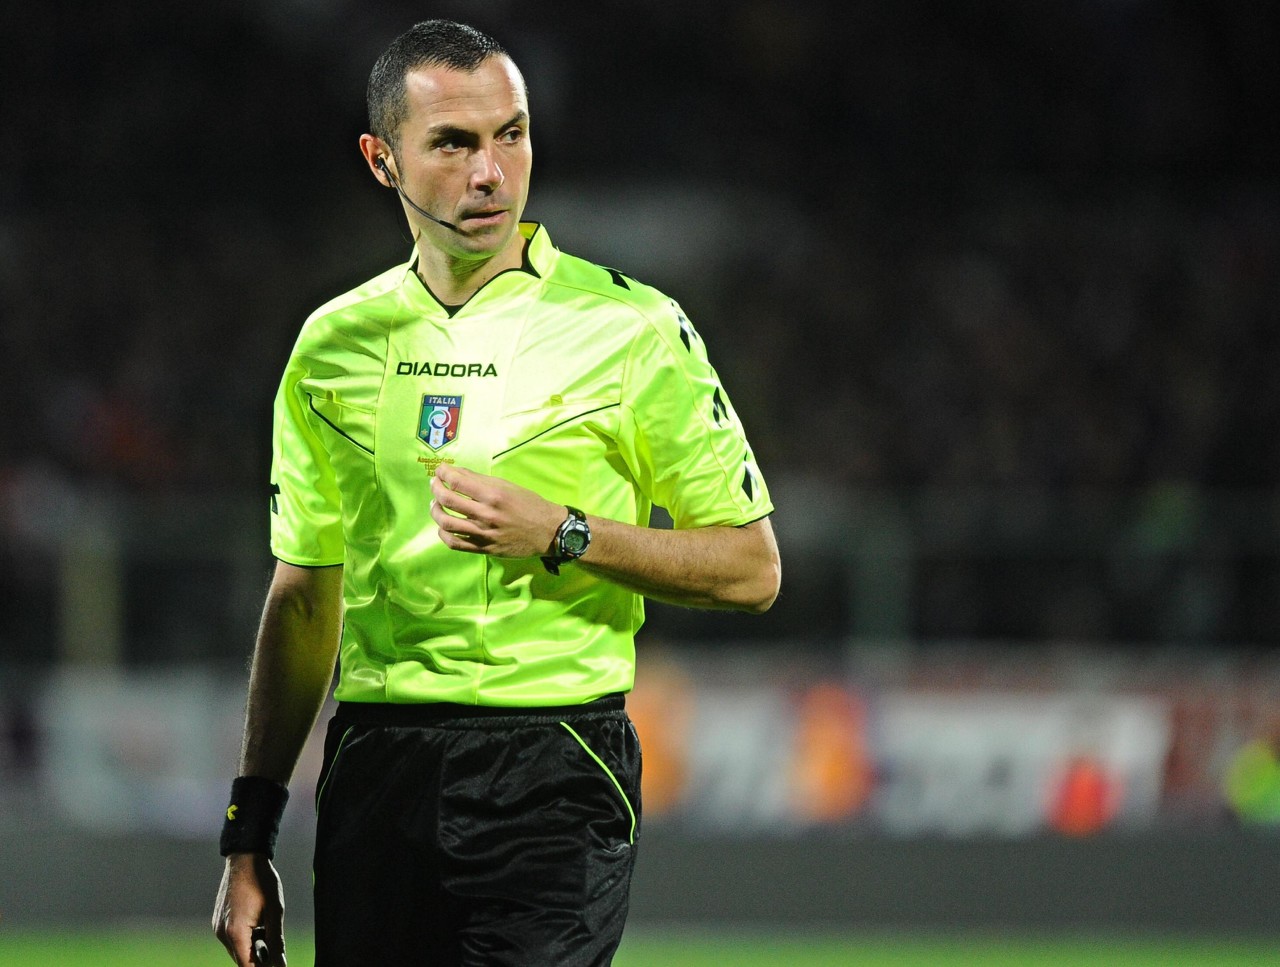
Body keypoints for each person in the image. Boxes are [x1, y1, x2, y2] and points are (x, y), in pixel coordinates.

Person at [212, 18, 780, 967]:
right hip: (377, 767)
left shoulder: (634, 329)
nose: (490, 173)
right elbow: (306, 594)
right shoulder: (331, 345)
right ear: (382, 160)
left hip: (556, 759)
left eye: (509, 135)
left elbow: (752, 568)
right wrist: (249, 830)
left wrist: (564, 531)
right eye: (452, 143)